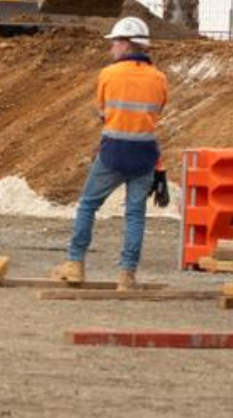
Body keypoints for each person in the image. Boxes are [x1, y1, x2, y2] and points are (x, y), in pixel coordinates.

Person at [51, 16, 170, 290]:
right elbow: (156, 113)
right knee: (135, 214)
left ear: (128, 44)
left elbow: (103, 112)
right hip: (145, 156)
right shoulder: (159, 78)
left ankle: (75, 264)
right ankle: (127, 275)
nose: (112, 48)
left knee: (88, 205)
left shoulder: (108, 75)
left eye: (116, 42)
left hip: (114, 152)